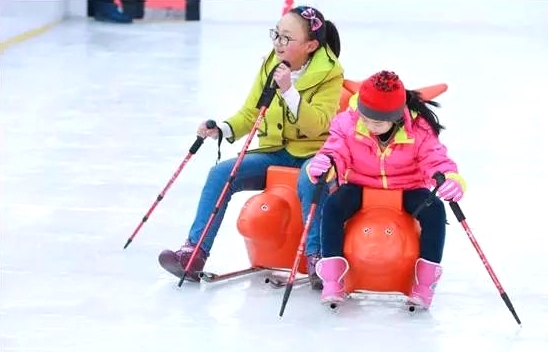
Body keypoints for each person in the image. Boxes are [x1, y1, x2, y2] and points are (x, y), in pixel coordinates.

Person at [158, 5, 344, 289]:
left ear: (311, 45)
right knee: (221, 173)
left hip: (313, 155)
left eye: (286, 38)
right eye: (276, 35)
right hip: (273, 152)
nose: (278, 43)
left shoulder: (330, 73)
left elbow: (318, 125)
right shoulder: (271, 63)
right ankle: (194, 253)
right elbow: (250, 113)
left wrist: (289, 91)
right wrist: (222, 129)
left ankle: (317, 258)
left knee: (311, 179)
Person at [306, 70, 466, 308]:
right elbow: (336, 150)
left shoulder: (418, 129)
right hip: (361, 182)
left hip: (407, 185)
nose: (369, 126)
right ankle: (333, 277)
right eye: (365, 118)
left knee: (435, 212)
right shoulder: (348, 121)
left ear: (396, 117)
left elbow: (435, 158)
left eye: (377, 122)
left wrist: (449, 178)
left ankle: (424, 284)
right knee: (333, 206)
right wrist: (326, 163)